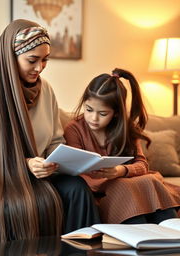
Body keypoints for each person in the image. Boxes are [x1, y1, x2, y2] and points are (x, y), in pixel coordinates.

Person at [0, 19, 100, 245]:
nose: (39, 67)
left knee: (78, 190)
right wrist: (25, 164)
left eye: (45, 60)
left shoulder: (47, 91)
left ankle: (81, 251)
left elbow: (55, 139)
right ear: (10, 58)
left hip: (39, 175)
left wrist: (57, 160)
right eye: (32, 60)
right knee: (22, 203)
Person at [64, 68, 180, 224]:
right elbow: (76, 172)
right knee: (127, 185)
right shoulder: (74, 129)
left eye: (103, 113)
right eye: (89, 110)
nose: (93, 118)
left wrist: (121, 171)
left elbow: (142, 164)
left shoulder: (125, 128)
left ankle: (172, 237)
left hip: (129, 185)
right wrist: (112, 180)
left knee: (148, 181)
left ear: (116, 113)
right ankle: (146, 238)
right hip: (104, 193)